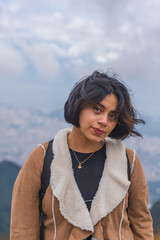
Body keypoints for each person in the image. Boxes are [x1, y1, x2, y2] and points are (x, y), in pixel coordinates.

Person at [10, 70, 154, 240]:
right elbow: (22, 231)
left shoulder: (129, 161)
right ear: (79, 104)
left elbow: (142, 225)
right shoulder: (42, 158)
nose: (104, 121)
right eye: (97, 109)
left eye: (112, 115)